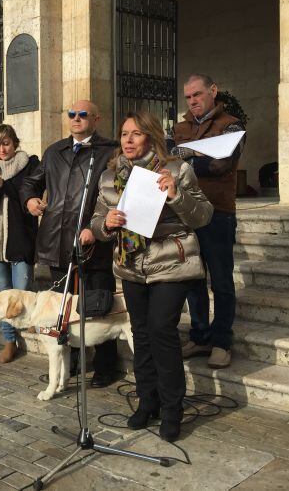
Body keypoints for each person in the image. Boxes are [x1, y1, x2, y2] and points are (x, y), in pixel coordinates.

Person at [90, 111, 213, 442]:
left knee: (161, 331)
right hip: (131, 265)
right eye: (124, 134)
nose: (128, 140)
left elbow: (203, 215)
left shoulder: (176, 170)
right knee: (141, 334)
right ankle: (148, 402)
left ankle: (174, 409)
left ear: (151, 136)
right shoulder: (109, 176)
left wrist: (176, 195)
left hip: (171, 261)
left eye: (136, 134)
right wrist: (106, 223)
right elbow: (97, 220)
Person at [20, 100, 120, 388]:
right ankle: (73, 362)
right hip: (55, 240)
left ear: (96, 118)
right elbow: (30, 183)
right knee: (63, 308)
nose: (76, 119)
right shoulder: (54, 151)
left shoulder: (109, 151)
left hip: (92, 240)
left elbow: (116, 192)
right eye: (72, 114)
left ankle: (105, 366)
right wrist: (29, 200)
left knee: (99, 303)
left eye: (83, 114)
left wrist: (95, 227)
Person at [168, 74, 246, 369]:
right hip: (185, 213)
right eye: (188, 97)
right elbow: (166, 158)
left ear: (213, 91)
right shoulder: (180, 127)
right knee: (192, 279)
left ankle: (222, 341)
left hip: (218, 213)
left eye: (197, 94)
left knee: (222, 281)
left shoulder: (232, 126)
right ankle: (200, 337)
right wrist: (195, 153)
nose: (192, 101)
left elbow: (221, 164)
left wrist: (184, 155)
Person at [0, 124, 39, 362]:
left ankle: (33, 323)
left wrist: (4, 184)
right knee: (3, 293)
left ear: (15, 142)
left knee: (22, 290)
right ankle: (9, 341)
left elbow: (26, 198)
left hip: (20, 238)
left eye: (6, 143)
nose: (2, 149)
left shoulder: (30, 164)